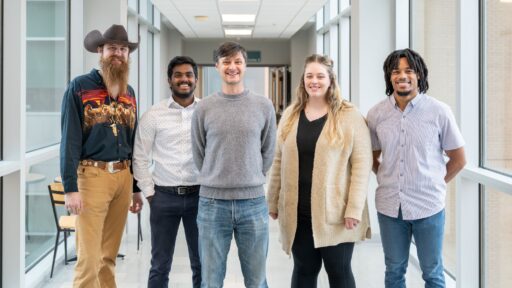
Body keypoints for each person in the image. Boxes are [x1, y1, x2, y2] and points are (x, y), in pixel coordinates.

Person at [267, 54, 372, 288]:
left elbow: (362, 166)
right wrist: (273, 200)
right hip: (298, 212)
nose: (314, 81)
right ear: (303, 80)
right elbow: (278, 161)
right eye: (309, 76)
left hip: (336, 213)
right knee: (303, 271)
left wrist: (354, 209)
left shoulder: (349, 115)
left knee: (339, 272)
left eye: (320, 76)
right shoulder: (291, 115)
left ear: (331, 80)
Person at [367, 48, 466, 288]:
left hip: (429, 207)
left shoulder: (439, 111)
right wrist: (384, 174)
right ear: (389, 77)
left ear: (419, 75)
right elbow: (371, 154)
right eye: (396, 71)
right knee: (394, 270)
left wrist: (435, 182)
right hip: (390, 207)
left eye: (409, 70)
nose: (402, 76)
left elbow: (459, 158)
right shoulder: (376, 114)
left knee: (432, 272)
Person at [60, 24, 143, 288]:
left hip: (123, 176)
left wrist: (136, 187)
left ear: (127, 54)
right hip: (92, 177)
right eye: (112, 48)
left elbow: (134, 142)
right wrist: (70, 189)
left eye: (122, 49)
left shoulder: (129, 93)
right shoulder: (80, 87)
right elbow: (70, 141)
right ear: (100, 51)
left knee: (109, 257)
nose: (117, 53)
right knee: (89, 258)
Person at [191, 41, 276, 288]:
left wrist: (251, 174)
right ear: (217, 66)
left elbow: (268, 150)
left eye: (238, 61)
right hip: (212, 205)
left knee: (257, 280)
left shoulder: (263, 106)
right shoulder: (204, 108)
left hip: (253, 203)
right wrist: (214, 175)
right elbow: (198, 152)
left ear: (245, 66)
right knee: (210, 280)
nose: (232, 67)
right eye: (226, 62)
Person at [133, 56, 201, 288]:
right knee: (160, 264)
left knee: (201, 262)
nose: (184, 79)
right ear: (169, 80)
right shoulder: (154, 114)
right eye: (178, 75)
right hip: (164, 197)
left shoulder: (205, 111)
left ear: (195, 80)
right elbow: (140, 156)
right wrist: (150, 193)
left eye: (189, 75)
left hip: (200, 197)